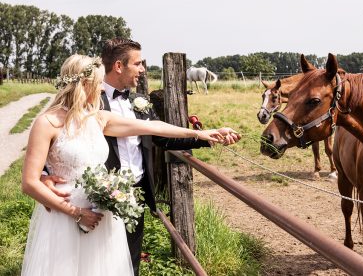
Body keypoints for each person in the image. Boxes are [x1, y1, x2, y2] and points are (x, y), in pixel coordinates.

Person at [41, 38, 240, 275]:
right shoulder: (92, 105)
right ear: (118, 66)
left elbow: (160, 133)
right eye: (138, 63)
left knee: (127, 263)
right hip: (93, 197)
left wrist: (204, 136)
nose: (143, 68)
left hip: (135, 194)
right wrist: (44, 174)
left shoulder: (139, 104)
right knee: (87, 263)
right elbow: (59, 147)